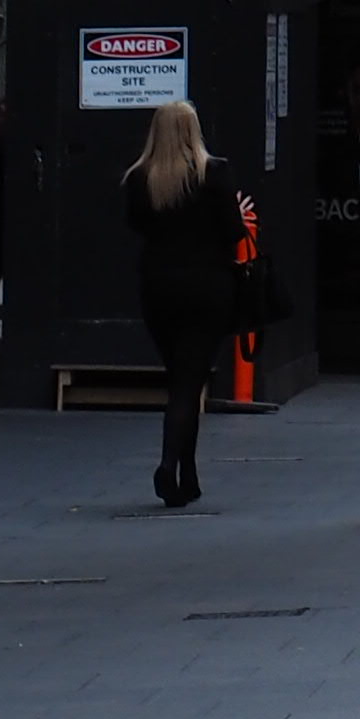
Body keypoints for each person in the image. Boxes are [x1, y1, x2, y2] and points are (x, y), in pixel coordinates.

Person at [118, 101, 251, 508]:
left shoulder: (140, 178)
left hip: (158, 288)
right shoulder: (215, 173)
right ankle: (169, 463)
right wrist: (240, 216)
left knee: (180, 377)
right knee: (189, 382)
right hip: (207, 287)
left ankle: (188, 475)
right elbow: (233, 233)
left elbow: (138, 226)